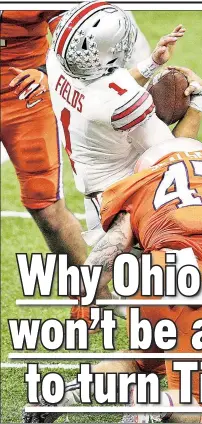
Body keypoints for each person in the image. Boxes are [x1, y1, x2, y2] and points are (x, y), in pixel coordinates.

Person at [23, 137, 202, 424]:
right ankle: (151, 406)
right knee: (194, 404)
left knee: (142, 360)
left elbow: (108, 253)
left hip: (152, 277)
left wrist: (91, 297)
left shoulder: (142, 186)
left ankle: (67, 394)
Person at [46, 1, 202, 324]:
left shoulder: (56, 63)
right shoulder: (118, 100)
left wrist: (149, 66)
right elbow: (175, 157)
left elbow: (100, 90)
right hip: (131, 207)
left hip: (98, 201)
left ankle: (106, 299)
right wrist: (198, 99)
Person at [1, 11, 88, 317]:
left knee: (46, 207)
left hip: (25, 94)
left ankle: (87, 295)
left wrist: (45, 71)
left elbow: (76, 40)